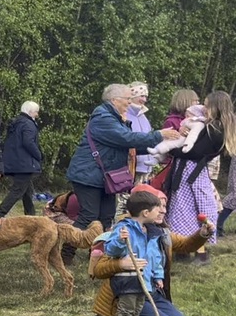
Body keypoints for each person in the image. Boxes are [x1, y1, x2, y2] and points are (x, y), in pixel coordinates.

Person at [62, 84, 178, 265]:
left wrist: (160, 148)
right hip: (88, 175)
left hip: (103, 177)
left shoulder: (115, 119)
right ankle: (65, 254)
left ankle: (98, 253)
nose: (130, 103)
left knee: (106, 216)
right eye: (127, 99)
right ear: (114, 100)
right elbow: (127, 139)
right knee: (88, 216)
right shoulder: (103, 118)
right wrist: (159, 135)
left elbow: (129, 146)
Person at [87, 184, 207, 316]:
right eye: (160, 206)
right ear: (145, 210)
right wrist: (121, 264)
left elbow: (185, 245)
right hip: (128, 293)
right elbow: (98, 269)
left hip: (152, 292)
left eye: (164, 205)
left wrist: (202, 234)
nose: (163, 210)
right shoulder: (122, 231)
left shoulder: (159, 233)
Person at [163, 91, 235, 264]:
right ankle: (186, 250)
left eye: (207, 105)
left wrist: (171, 149)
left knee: (188, 210)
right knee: (191, 210)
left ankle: (195, 252)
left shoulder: (215, 129)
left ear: (216, 107)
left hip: (191, 173)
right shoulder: (215, 126)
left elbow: (195, 152)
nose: (204, 108)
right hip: (191, 172)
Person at [103, 192, 165, 316]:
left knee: (137, 306)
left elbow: (155, 257)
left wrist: (158, 276)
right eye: (157, 210)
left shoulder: (150, 232)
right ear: (146, 212)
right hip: (128, 278)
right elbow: (110, 250)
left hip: (144, 278)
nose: (161, 213)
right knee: (127, 307)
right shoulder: (124, 228)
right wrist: (120, 241)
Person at [0, 100, 42, 215]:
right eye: (36, 112)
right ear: (30, 112)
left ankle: (31, 216)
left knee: (27, 191)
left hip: (15, 163)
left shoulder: (16, 123)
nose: (37, 115)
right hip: (24, 164)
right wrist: (39, 155)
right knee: (17, 191)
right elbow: (29, 142)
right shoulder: (28, 124)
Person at [127, 82, 158, 183]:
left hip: (146, 168)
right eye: (141, 96)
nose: (144, 100)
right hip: (131, 167)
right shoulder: (124, 115)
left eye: (145, 96)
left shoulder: (143, 116)